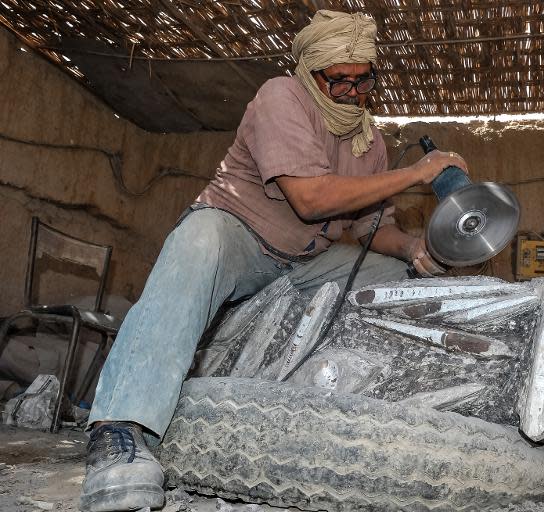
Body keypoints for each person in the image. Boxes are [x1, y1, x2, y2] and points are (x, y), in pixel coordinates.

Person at [79, 10, 468, 512]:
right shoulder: (281, 97)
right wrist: (416, 173)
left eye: (363, 78)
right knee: (196, 243)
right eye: (339, 81)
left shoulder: (368, 142)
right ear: (312, 73)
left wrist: (414, 248)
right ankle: (119, 434)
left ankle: (398, 418)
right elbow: (311, 199)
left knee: (403, 278)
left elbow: (372, 227)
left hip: (304, 260)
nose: (353, 91)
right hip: (237, 235)